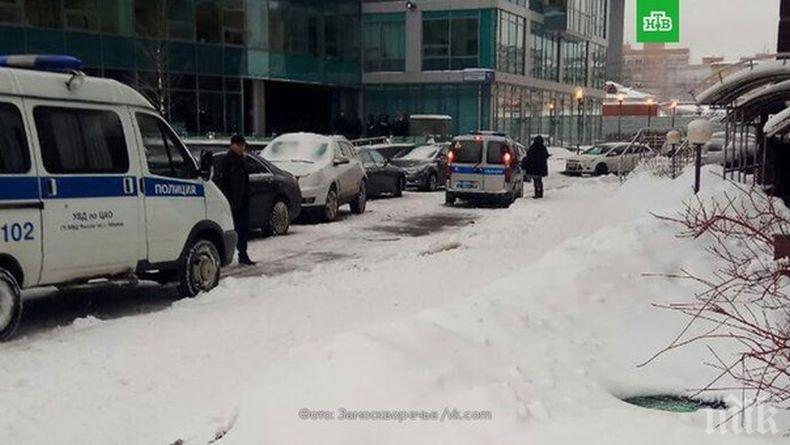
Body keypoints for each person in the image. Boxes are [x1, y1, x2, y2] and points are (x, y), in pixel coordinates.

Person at [215, 135, 256, 266]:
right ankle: (234, 256)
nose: (243, 149)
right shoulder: (228, 161)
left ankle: (243, 255)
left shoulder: (239, 160)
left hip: (241, 202)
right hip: (233, 203)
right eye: (242, 146)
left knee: (242, 231)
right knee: (234, 231)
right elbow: (223, 183)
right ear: (235, 145)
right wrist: (231, 201)